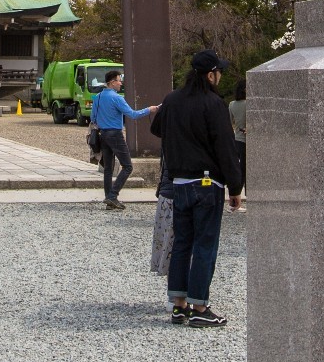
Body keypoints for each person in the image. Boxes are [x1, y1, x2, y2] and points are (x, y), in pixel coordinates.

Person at [156, 50, 242, 327]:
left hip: (179, 182)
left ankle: (178, 306)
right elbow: (225, 148)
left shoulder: (172, 100)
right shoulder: (213, 103)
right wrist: (235, 187)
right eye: (219, 73)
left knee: (182, 244)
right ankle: (200, 308)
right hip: (207, 184)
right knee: (205, 245)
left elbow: (157, 127)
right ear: (210, 75)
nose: (220, 77)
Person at [89, 69, 153, 210]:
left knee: (108, 168)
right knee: (128, 166)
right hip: (115, 134)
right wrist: (150, 109)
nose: (121, 83)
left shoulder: (98, 97)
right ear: (112, 82)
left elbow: (93, 118)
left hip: (103, 134)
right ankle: (113, 195)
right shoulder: (117, 98)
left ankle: (108, 199)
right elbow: (133, 115)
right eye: (119, 80)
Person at [228, 84, 249, 209]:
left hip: (237, 139)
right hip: (249, 140)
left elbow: (229, 122)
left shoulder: (231, 104)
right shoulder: (250, 104)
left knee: (239, 168)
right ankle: (248, 198)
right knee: (247, 170)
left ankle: (235, 195)